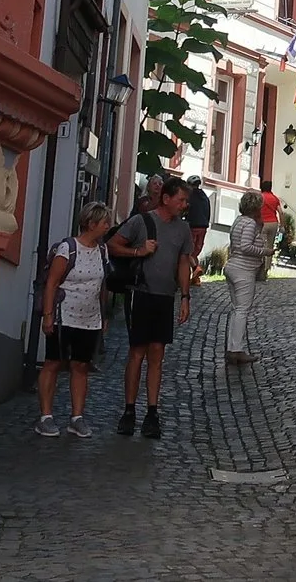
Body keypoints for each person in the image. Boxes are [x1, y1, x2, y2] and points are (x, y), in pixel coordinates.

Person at [109, 175, 195, 438]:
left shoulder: (183, 230)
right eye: (181, 200)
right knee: (137, 352)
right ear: (166, 198)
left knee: (157, 353)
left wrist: (185, 296)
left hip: (164, 297)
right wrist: (138, 252)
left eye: (186, 201)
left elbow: (183, 262)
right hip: (141, 293)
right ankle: (129, 410)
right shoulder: (142, 221)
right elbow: (113, 246)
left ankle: (152, 412)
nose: (184, 205)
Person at [35, 202, 113, 438]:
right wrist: (48, 315)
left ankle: (77, 417)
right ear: (91, 224)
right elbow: (52, 283)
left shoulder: (102, 251)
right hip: (63, 315)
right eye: (104, 222)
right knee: (53, 363)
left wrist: (104, 314)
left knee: (81, 365)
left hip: (89, 318)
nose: (108, 227)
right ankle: (46, 416)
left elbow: (102, 285)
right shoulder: (68, 249)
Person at [224, 182, 273, 365]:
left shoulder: (239, 221)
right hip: (243, 270)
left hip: (233, 267)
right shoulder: (250, 223)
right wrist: (265, 252)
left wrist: (259, 227)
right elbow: (245, 246)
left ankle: (232, 347)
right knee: (242, 311)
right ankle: (236, 350)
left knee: (237, 310)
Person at [184, 175, 214, 260]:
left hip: (192, 226)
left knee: (187, 252)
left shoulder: (189, 196)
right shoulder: (204, 197)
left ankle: (190, 270)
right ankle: (195, 270)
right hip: (203, 227)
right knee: (195, 253)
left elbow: (185, 210)